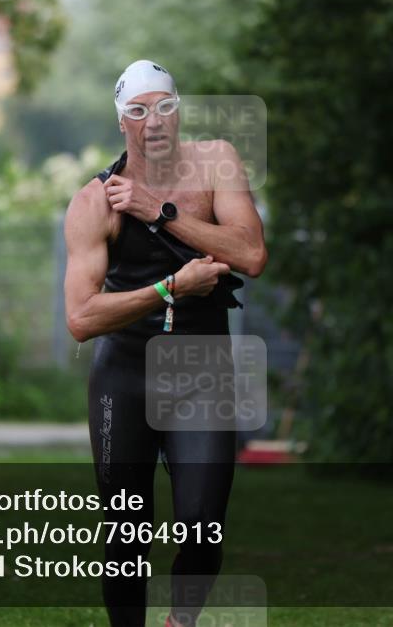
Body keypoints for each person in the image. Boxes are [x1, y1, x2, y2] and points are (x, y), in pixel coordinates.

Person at [64, 60, 267, 627]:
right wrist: (170, 287)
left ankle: (181, 621)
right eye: (137, 110)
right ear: (121, 122)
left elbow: (250, 254)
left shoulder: (216, 162)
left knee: (203, 524)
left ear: (178, 111)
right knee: (125, 539)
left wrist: (162, 212)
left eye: (164, 107)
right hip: (124, 372)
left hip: (202, 365)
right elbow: (80, 318)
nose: (153, 121)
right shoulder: (94, 202)